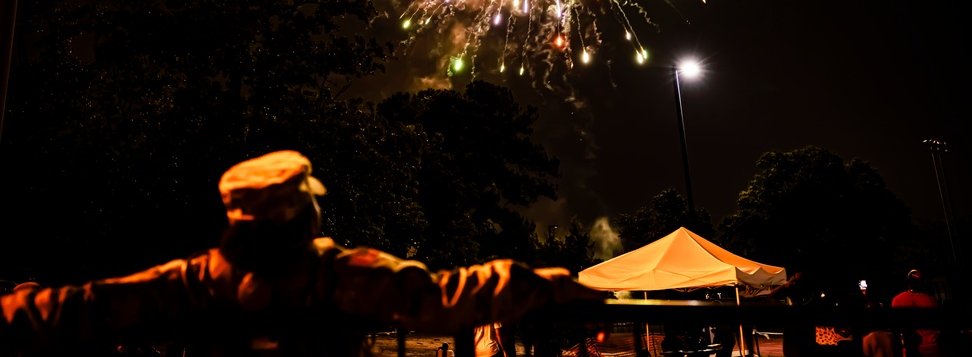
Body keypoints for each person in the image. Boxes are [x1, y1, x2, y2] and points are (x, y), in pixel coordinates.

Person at [0, 150, 603, 356]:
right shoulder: (338, 273)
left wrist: (19, 303)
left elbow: (82, 307)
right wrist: (547, 284)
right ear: (304, 213)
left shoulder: (194, 280)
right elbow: (442, 297)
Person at [891, 270, 940, 357]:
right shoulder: (932, 300)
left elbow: (898, 330)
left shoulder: (898, 299)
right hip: (936, 348)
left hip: (914, 350)